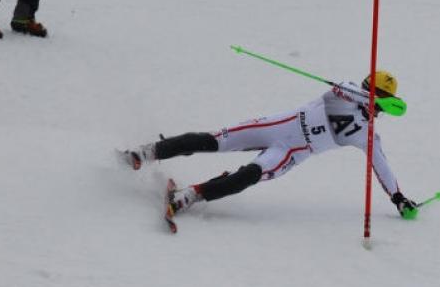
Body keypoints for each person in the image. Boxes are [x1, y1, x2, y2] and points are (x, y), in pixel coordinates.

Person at [123, 71, 418, 219]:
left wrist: (398, 197)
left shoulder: (367, 134)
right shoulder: (345, 93)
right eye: (371, 91)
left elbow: (381, 164)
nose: (373, 102)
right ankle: (146, 152)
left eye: (378, 97)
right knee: (212, 141)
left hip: (291, 153)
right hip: (276, 126)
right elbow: (344, 88)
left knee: (247, 176)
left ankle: (189, 196)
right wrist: (373, 97)